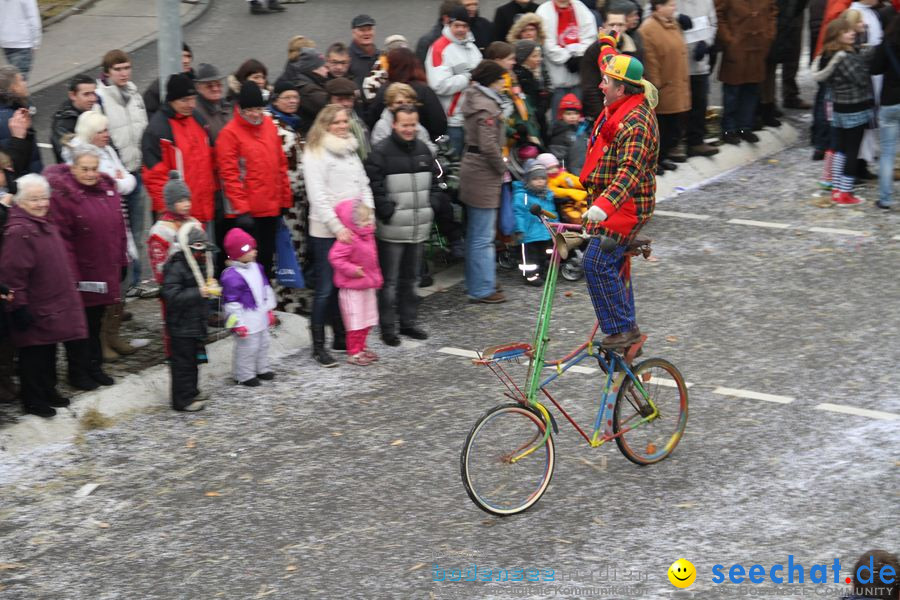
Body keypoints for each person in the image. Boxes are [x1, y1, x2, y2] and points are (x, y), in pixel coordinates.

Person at [580, 44, 659, 349]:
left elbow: (630, 173)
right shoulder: (622, 104)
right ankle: (626, 331)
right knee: (611, 265)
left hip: (626, 206)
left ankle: (624, 331)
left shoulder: (637, 123)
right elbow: (608, 59)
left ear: (622, 89)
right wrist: (606, 42)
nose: (601, 85)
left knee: (595, 263)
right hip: (610, 200)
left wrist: (602, 206)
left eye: (606, 82)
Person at [0, 175, 87, 417]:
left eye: (43, 198)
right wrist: (18, 306)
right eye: (33, 199)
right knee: (33, 355)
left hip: (52, 302)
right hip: (33, 305)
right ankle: (33, 399)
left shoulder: (43, 223)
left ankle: (48, 390)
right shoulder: (20, 231)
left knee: (49, 351)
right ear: (20, 201)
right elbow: (12, 274)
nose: (40, 203)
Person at [45, 145, 128, 389]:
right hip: (81, 273)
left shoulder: (107, 189)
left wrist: (122, 259)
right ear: (73, 168)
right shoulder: (63, 196)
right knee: (79, 326)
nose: (91, 174)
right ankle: (78, 371)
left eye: (94, 168)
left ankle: (94, 366)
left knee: (95, 322)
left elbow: (119, 229)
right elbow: (64, 241)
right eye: (85, 169)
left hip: (103, 269)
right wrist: (72, 276)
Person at [302, 105, 374, 367]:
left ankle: (342, 337)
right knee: (325, 288)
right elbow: (318, 195)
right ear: (325, 124)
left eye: (345, 121)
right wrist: (336, 227)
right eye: (337, 122)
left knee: (345, 285)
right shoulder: (316, 152)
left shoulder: (350, 149)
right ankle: (318, 344)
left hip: (353, 227)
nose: (343, 126)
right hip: (326, 229)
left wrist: (369, 214)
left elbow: (362, 184)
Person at [365, 106, 437, 346]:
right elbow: (374, 185)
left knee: (411, 278)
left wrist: (433, 203)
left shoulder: (424, 149)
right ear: (394, 125)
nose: (409, 129)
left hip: (418, 226)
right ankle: (388, 328)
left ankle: (408, 322)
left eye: (412, 124)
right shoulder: (381, 152)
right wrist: (387, 211)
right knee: (390, 281)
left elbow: (437, 181)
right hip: (393, 228)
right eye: (404, 124)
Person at [216, 82, 291, 276]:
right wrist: (242, 210)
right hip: (248, 214)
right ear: (240, 109)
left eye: (258, 109)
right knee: (247, 264)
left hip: (270, 207)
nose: (255, 114)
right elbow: (229, 176)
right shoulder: (229, 134)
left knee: (266, 259)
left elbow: (280, 164)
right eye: (249, 110)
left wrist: (284, 198)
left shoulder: (269, 126)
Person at [95, 49, 150, 293]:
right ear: (107, 72)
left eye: (127, 67)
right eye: (118, 69)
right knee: (117, 234)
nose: (124, 73)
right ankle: (120, 286)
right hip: (114, 176)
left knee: (136, 231)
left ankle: (135, 283)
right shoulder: (100, 99)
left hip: (136, 171)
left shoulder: (135, 94)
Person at [459, 60, 508, 304]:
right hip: (483, 172)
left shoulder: (474, 99)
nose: (504, 84)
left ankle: (481, 281)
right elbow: (489, 145)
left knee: (477, 233)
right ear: (491, 80)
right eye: (501, 79)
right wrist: (503, 168)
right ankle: (482, 288)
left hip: (473, 168)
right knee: (482, 235)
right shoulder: (486, 107)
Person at [813, 17, 874, 206]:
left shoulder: (829, 54)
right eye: (847, 31)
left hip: (839, 107)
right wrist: (865, 62)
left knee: (840, 150)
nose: (852, 33)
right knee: (851, 151)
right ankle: (845, 193)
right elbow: (862, 79)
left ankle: (837, 188)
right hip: (854, 108)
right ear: (837, 35)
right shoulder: (846, 57)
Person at [142, 74, 215, 228]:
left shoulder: (197, 120)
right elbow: (155, 177)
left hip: (203, 210)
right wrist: (170, 213)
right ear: (171, 100)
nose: (191, 104)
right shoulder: (158, 130)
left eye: (192, 99)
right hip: (177, 217)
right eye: (184, 100)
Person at [161, 223, 219, 412]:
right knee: (182, 364)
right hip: (181, 325)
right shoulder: (176, 267)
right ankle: (182, 399)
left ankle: (191, 391)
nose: (202, 256)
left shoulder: (199, 266)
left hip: (194, 323)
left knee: (193, 362)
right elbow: (171, 295)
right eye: (198, 251)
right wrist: (199, 292)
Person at [266, 81, 312, 315]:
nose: (293, 101)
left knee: (296, 252)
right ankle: (283, 302)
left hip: (297, 204)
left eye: (295, 96)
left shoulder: (290, 125)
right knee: (286, 254)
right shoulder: (276, 127)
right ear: (276, 100)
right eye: (287, 97)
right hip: (287, 204)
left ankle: (291, 298)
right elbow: (287, 170)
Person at [328, 199, 383, 366]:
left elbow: (373, 260)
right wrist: (352, 270)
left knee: (368, 318)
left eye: (369, 219)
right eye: (364, 220)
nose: (368, 223)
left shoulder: (368, 236)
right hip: (352, 287)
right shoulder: (349, 239)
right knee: (355, 320)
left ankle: (361, 346)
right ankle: (354, 352)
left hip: (367, 285)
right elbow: (335, 257)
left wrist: (376, 278)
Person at [714, 0, 777, 144]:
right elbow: (718, 14)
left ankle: (745, 127)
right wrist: (729, 40)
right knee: (733, 91)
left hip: (758, 47)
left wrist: (768, 35)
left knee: (752, 89)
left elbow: (773, 11)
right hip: (736, 48)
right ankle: (728, 129)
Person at [640, 0, 691, 172]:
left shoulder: (673, 24)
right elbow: (651, 61)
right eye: (670, 5)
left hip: (676, 83)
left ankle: (664, 156)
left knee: (672, 127)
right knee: (659, 127)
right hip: (663, 87)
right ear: (658, 7)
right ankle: (653, 161)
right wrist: (656, 87)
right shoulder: (648, 29)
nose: (674, 8)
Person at [221, 228, 277, 386]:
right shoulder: (231, 276)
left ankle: (262, 367)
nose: (254, 252)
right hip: (246, 319)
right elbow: (231, 304)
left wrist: (269, 309)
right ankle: (243, 374)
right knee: (247, 347)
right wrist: (237, 324)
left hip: (260, 315)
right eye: (248, 249)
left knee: (263, 343)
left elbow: (265, 288)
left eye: (253, 248)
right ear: (237, 254)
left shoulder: (257, 268)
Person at [427, 6, 484, 157]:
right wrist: (467, 78)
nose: (460, 30)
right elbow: (438, 84)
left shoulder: (472, 47)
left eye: (464, 26)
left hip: (473, 119)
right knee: (454, 167)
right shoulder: (439, 48)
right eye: (456, 25)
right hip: (453, 122)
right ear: (448, 24)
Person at [364, 47, 448, 141]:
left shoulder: (384, 90)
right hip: (422, 145)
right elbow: (439, 124)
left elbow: (371, 120)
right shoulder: (424, 90)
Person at [535, 0, 598, 115]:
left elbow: (590, 36)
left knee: (577, 119)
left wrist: (580, 56)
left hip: (579, 79)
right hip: (557, 81)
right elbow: (546, 42)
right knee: (558, 121)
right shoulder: (544, 11)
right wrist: (566, 58)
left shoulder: (580, 7)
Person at [582, 4, 640, 122]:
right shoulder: (594, 51)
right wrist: (604, 117)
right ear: (603, 25)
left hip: (629, 112)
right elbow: (590, 89)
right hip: (604, 113)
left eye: (620, 25)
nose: (616, 29)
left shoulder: (634, 47)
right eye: (612, 24)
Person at [679, 0, 720, 157]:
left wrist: (706, 43)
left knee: (700, 102)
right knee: (678, 106)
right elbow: (651, 13)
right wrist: (677, 16)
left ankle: (696, 142)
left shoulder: (707, 1)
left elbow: (713, 24)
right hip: (677, 62)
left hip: (699, 62)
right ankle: (675, 144)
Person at [513, 160, 559, 285]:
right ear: (528, 180)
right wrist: (519, 229)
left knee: (543, 255)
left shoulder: (547, 195)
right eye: (535, 179)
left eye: (542, 178)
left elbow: (551, 212)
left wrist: (556, 225)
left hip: (544, 232)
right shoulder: (522, 196)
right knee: (529, 258)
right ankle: (530, 276)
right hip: (529, 234)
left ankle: (541, 272)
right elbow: (519, 213)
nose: (540, 181)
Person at [871, 16, 900, 209]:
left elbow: (874, 68)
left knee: (887, 152)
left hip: (890, 100)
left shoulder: (888, 42)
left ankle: (885, 198)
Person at [371, 83, 438, 154]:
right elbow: (378, 152)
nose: (404, 105)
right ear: (390, 105)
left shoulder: (418, 126)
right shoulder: (382, 126)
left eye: (409, 102)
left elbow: (430, 149)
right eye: (399, 102)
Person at [0, 65, 42, 178]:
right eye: (22, 80)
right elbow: (13, 163)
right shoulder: (10, 118)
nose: (25, 83)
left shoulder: (12, 111)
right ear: (14, 87)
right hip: (25, 185)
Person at [276, 48, 330, 133]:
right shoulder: (308, 89)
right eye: (324, 66)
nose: (327, 70)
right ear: (314, 68)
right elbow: (331, 108)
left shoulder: (310, 82)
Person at [50, 75, 98, 163]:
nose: (93, 99)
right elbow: (71, 157)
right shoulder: (63, 124)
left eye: (94, 93)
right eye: (86, 94)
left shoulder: (93, 110)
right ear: (72, 95)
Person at [324, 77, 372, 160]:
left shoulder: (358, 121)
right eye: (340, 99)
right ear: (329, 101)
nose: (345, 103)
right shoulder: (323, 124)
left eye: (349, 99)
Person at [514, 39, 553, 141]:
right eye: (534, 56)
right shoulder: (522, 77)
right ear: (523, 58)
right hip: (529, 124)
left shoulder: (533, 73)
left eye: (539, 55)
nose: (539, 59)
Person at [143, 43, 194, 117]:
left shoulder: (197, 82)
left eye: (188, 56)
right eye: (180, 57)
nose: (186, 61)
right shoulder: (156, 90)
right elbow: (150, 117)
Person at [535, 151, 588, 222]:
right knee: (575, 217)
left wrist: (586, 183)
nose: (554, 170)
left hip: (578, 199)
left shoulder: (562, 174)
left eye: (555, 167)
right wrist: (571, 193)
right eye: (549, 169)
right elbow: (554, 190)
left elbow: (575, 180)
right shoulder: (547, 181)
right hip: (564, 203)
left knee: (586, 209)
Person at [0, 0, 40, 80]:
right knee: (20, 81)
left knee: (12, 80)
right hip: (22, 42)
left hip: (5, 42)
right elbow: (33, 20)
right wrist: (36, 43)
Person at [193, 63, 232, 143]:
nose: (215, 88)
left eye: (218, 84)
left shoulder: (227, 106)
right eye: (209, 86)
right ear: (198, 88)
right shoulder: (195, 113)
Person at [549, 93, 584, 162]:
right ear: (561, 115)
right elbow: (559, 159)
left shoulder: (585, 131)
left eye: (576, 113)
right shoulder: (559, 133)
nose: (573, 117)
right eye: (568, 114)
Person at [348, 15, 381, 88]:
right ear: (353, 32)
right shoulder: (346, 57)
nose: (366, 33)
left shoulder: (381, 56)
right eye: (362, 30)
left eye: (369, 29)